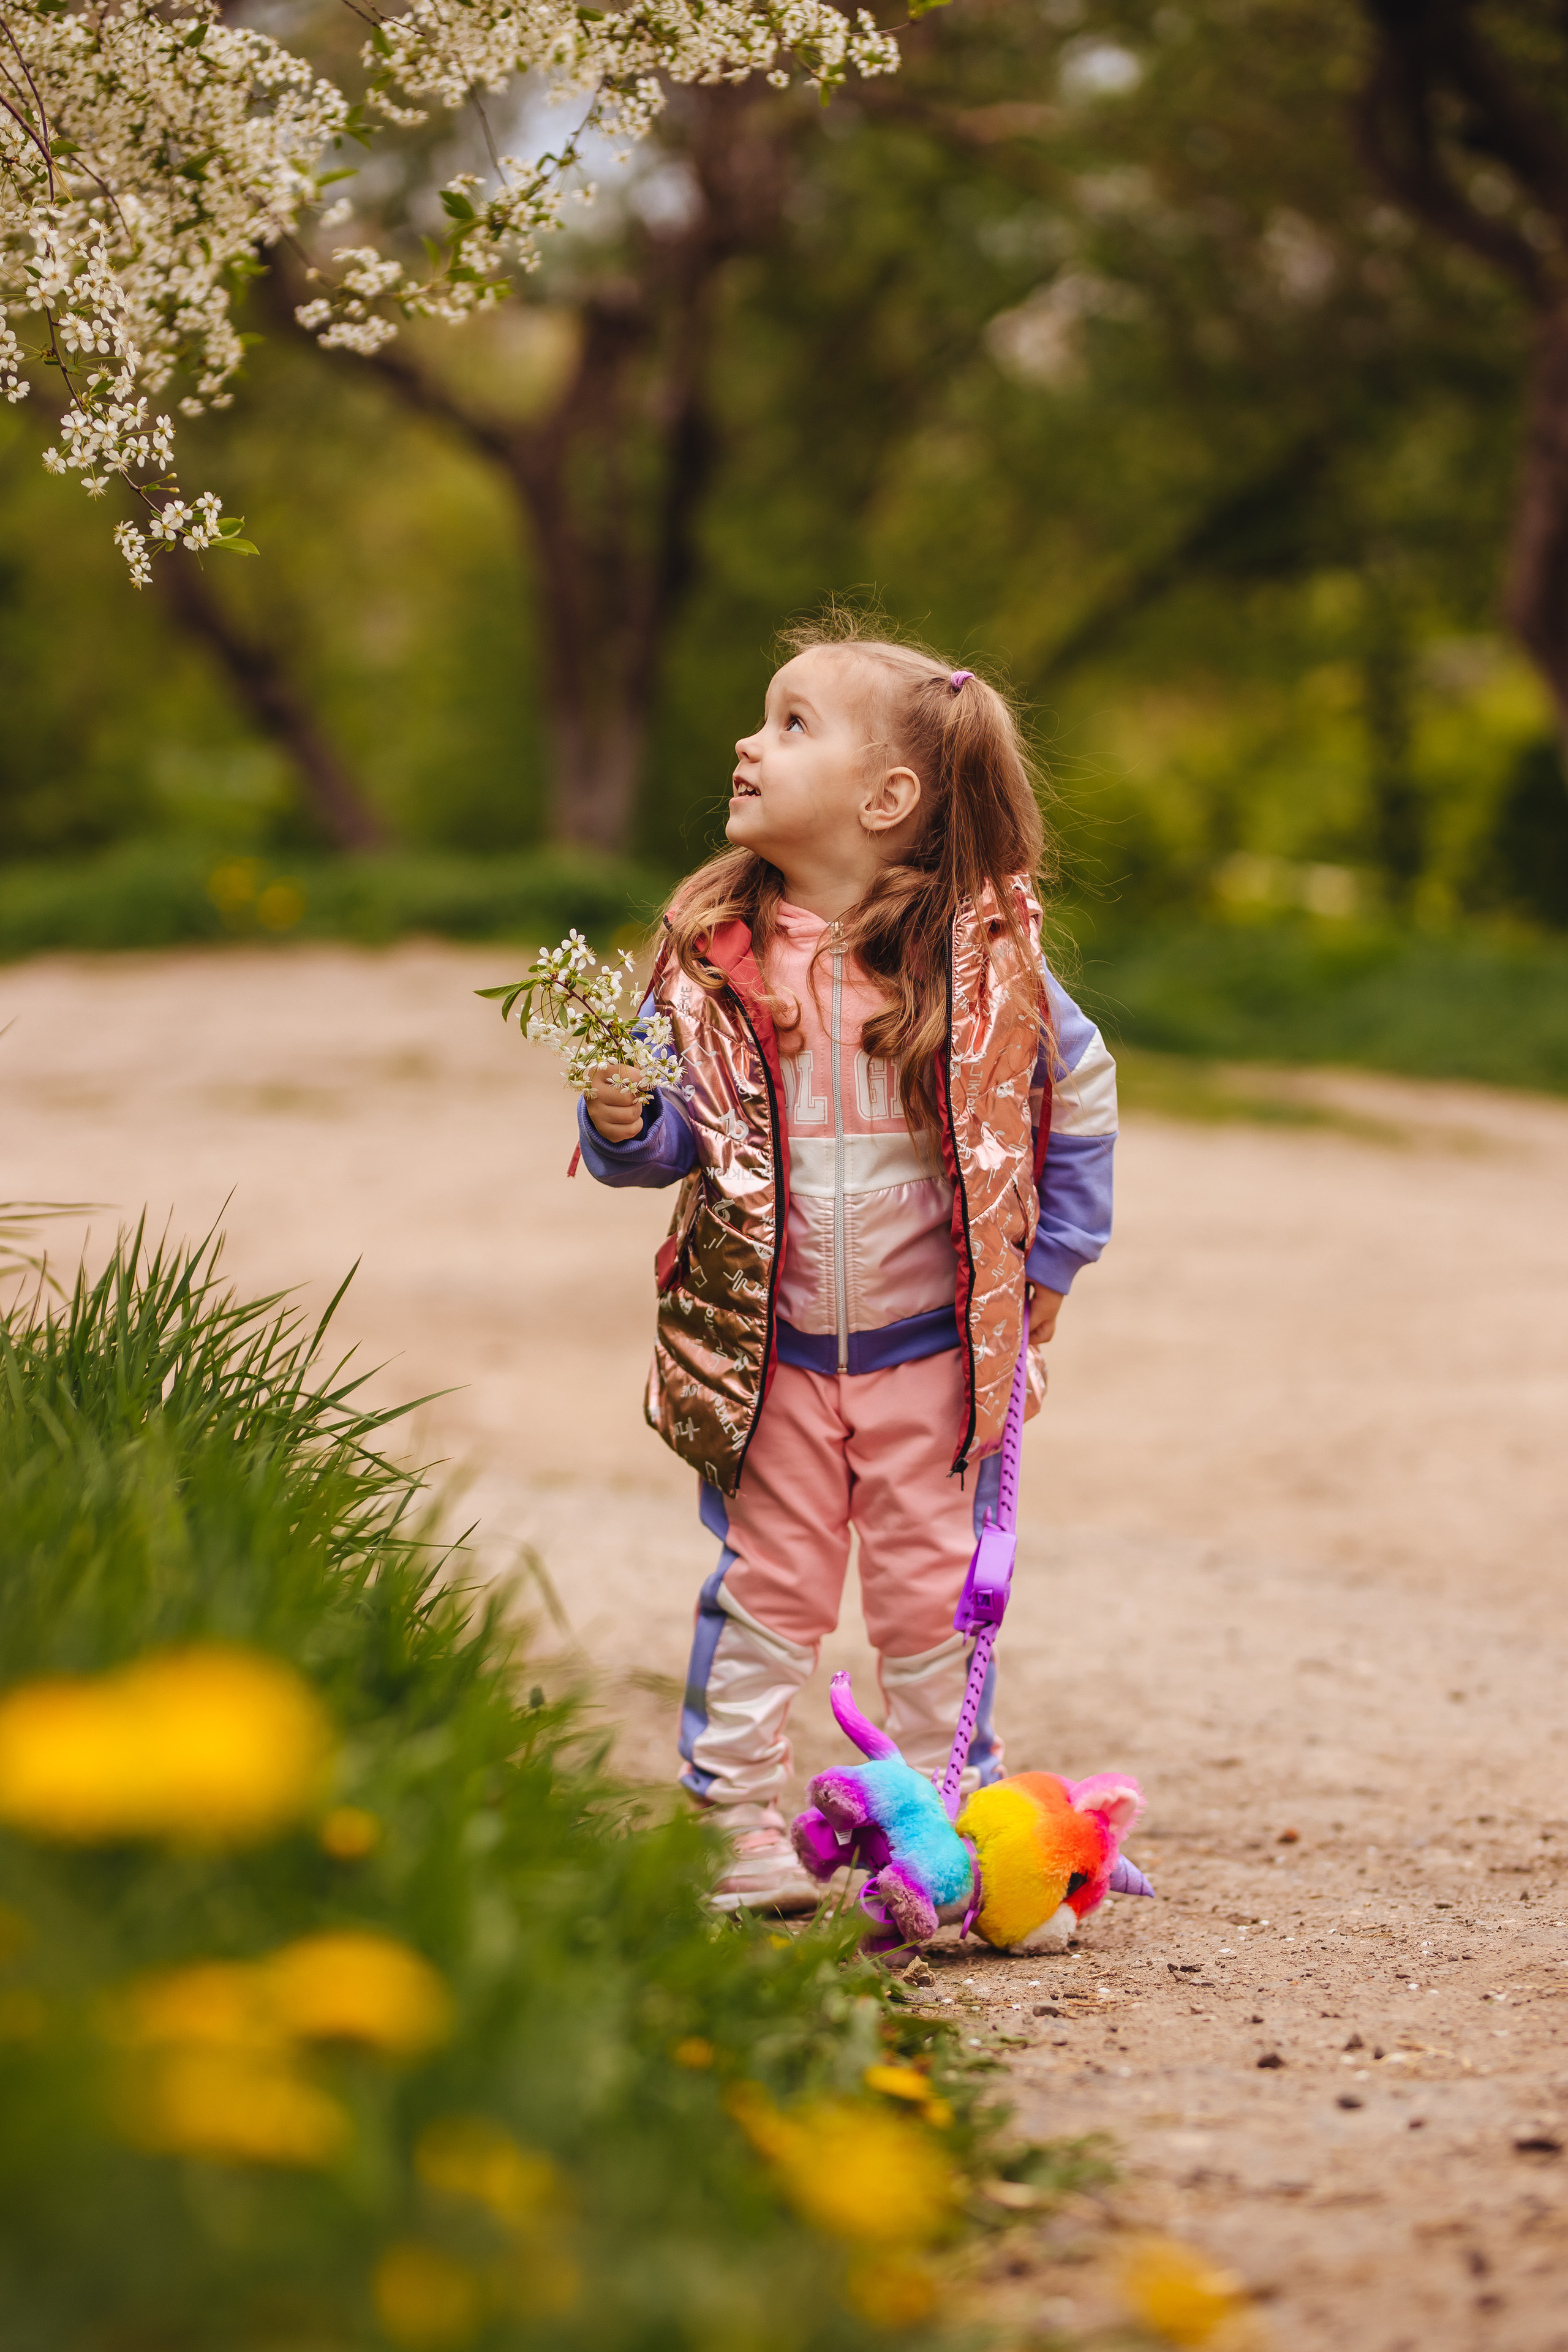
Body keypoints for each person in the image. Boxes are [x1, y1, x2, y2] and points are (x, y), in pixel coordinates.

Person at [576, 616, 1117, 1912]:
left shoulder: (980, 961)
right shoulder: (710, 961)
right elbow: (671, 1146)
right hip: (770, 1359)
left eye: (790, 724)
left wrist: (1056, 1254)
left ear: (886, 800)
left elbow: (1076, 1090)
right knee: (768, 1588)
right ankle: (734, 1822)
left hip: (930, 1356)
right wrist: (624, 1121)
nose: (747, 742)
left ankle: (947, 1825)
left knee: (935, 1595)